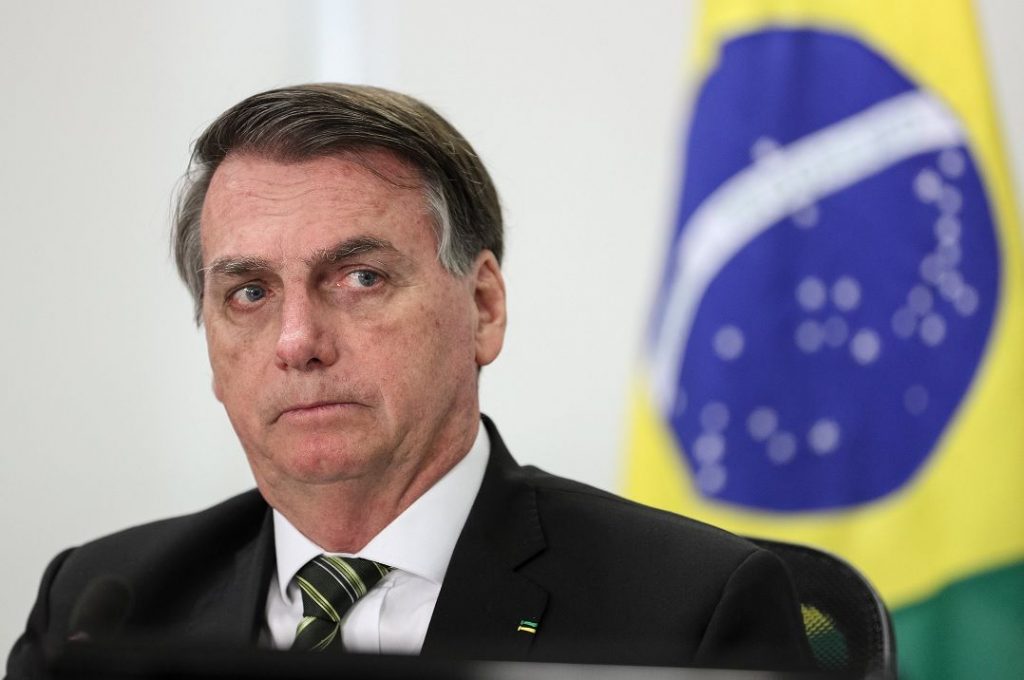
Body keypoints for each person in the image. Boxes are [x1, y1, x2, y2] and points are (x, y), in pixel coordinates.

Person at [7, 84, 812, 676]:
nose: (297, 342)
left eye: (360, 278)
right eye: (249, 293)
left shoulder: (687, 610)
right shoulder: (101, 604)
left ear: (484, 307)